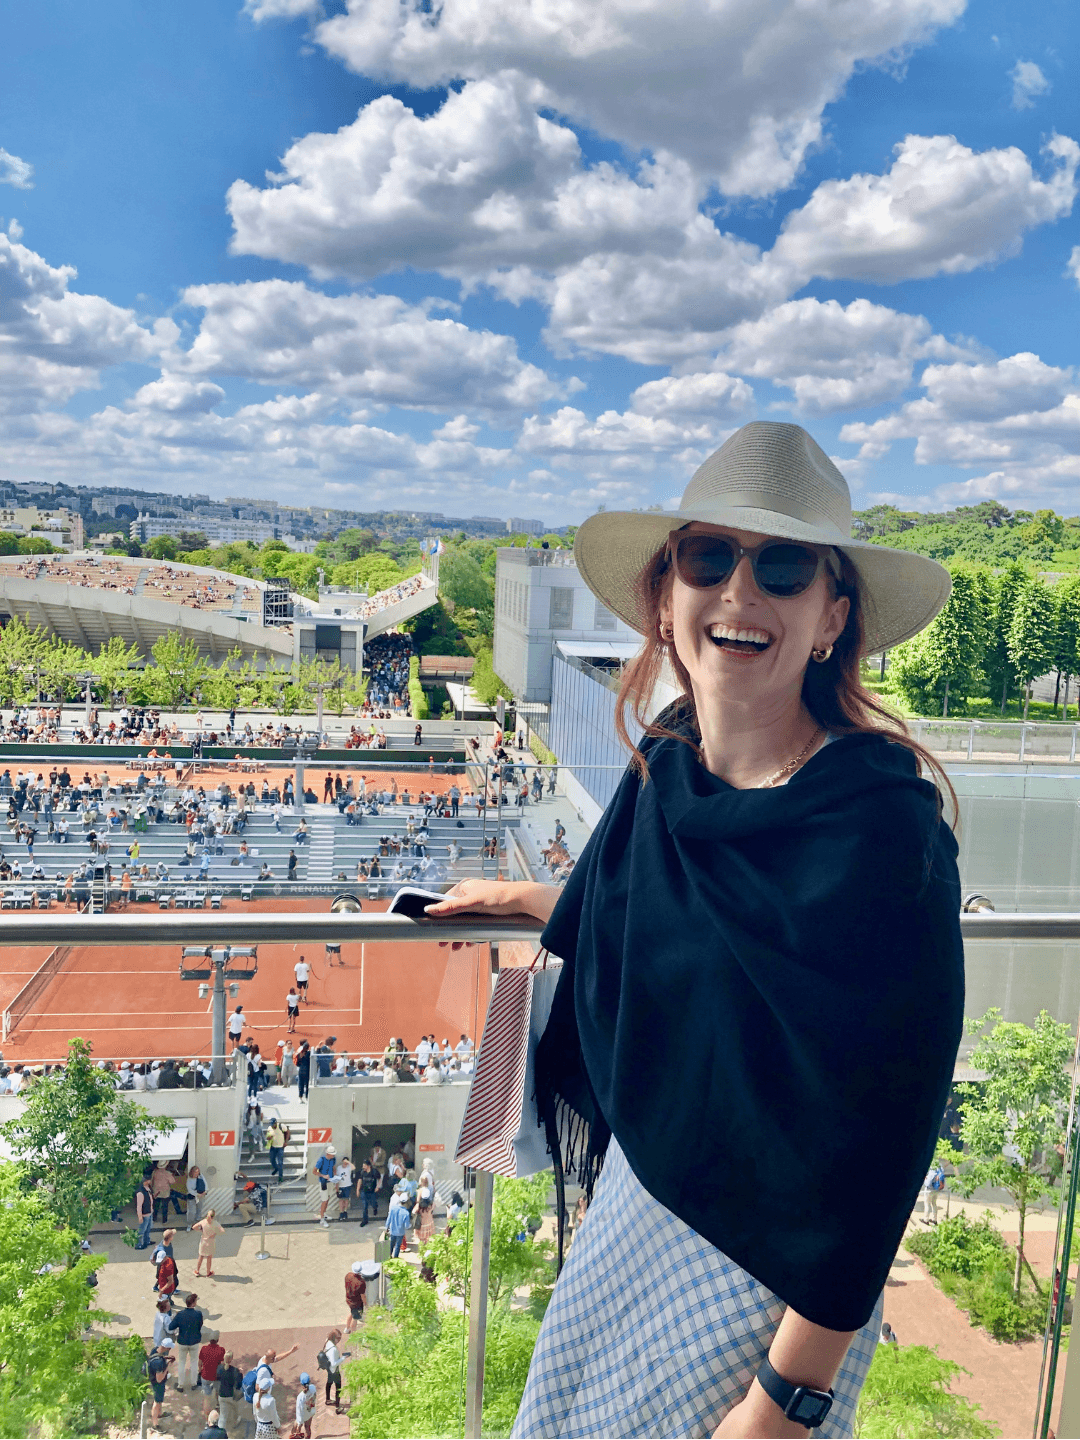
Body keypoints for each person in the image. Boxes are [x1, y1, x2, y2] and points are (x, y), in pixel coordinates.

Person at [426, 421, 966, 1440]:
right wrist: (538, 901)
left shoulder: (882, 832)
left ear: (831, 617)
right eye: (708, 558)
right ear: (666, 603)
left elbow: (884, 1149)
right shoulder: (668, 764)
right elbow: (668, 917)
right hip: (643, 1202)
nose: (738, 592)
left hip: (772, 1281)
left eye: (783, 567)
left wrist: (785, 1403)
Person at [167, 1292, 204, 1393]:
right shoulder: (198, 1314)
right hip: (194, 1341)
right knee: (194, 1362)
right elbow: (200, 1325)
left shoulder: (180, 1314)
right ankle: (194, 1383)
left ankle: (180, 1384)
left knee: (182, 1363)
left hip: (183, 1341)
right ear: (193, 1303)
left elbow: (171, 1327)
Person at [146, 1341, 174, 1430]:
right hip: (157, 1384)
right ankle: (155, 1424)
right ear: (166, 1348)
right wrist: (167, 1366)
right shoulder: (158, 1363)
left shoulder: (155, 1350)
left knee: (159, 1400)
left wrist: (167, 1358)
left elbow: (158, 1357)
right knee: (157, 1402)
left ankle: (159, 1414)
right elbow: (159, 1379)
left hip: (155, 1381)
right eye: (169, 1349)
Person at [216, 1350, 245, 1437]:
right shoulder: (234, 1370)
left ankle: (218, 1434)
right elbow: (239, 1384)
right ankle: (236, 1420)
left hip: (221, 1394)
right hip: (231, 1395)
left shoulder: (220, 1368)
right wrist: (240, 1373)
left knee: (222, 1416)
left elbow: (218, 1377)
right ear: (231, 1359)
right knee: (235, 1408)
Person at [198, 1330, 226, 1417]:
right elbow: (223, 1363)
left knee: (207, 1397)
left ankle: (207, 1417)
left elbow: (200, 1362)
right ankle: (217, 1405)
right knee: (217, 1391)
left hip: (205, 1375)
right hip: (216, 1376)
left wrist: (200, 1370)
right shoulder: (221, 1350)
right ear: (217, 1340)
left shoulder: (204, 1349)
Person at [320, 1329, 348, 1412]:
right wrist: (343, 1358)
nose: (339, 1340)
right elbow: (334, 1364)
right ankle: (337, 1407)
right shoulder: (333, 1350)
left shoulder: (327, 1341)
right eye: (338, 1338)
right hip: (334, 1371)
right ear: (333, 1337)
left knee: (329, 1383)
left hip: (329, 1369)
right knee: (338, 1388)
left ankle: (328, 1399)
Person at [191, 1209, 225, 1278]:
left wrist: (201, 1230)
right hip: (211, 1242)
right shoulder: (215, 1223)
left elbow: (194, 1227)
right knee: (209, 1258)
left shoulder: (203, 1221)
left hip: (203, 1242)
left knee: (201, 1256)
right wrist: (215, 1233)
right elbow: (223, 1231)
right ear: (213, 1216)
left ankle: (197, 1271)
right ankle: (208, 1273)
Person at [314, 1145, 337, 1226]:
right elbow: (314, 1171)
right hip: (323, 1182)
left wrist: (334, 1177)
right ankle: (322, 1218)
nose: (334, 1155)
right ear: (328, 1153)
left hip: (330, 1182)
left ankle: (324, 1213)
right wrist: (323, 1175)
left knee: (328, 1199)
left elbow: (333, 1168)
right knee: (324, 1200)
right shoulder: (321, 1160)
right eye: (332, 1154)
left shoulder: (333, 1159)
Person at [385, 1191, 410, 1259]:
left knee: (391, 1244)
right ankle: (395, 1258)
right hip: (400, 1232)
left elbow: (389, 1219)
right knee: (398, 1246)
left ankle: (388, 1256)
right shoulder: (406, 1213)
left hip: (392, 1230)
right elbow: (407, 1226)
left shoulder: (393, 1209)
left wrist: (386, 1227)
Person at [344, 1259, 366, 1333]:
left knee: (352, 1313)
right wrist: (366, 1304)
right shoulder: (361, 1282)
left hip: (349, 1299)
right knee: (355, 1318)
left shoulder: (348, 1275)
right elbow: (363, 1296)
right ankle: (354, 1333)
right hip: (357, 1303)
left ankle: (347, 1328)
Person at [295, 1372, 318, 1439]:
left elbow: (299, 1411)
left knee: (298, 1429)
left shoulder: (300, 1397)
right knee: (308, 1428)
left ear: (301, 1384)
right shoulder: (313, 1387)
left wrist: (299, 1425)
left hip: (304, 1415)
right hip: (311, 1411)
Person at [134, 1173, 154, 1249]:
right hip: (145, 1214)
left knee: (148, 1229)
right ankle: (138, 1244)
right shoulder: (140, 1192)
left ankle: (147, 1241)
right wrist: (140, 1217)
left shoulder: (147, 1188)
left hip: (149, 1212)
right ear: (146, 1181)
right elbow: (139, 1206)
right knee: (142, 1230)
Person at [357, 1160, 379, 1226]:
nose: (363, 1167)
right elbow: (360, 1180)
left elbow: (379, 1179)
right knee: (365, 1206)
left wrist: (377, 1187)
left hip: (372, 1191)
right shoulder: (362, 1172)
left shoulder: (374, 1172)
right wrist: (357, 1189)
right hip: (364, 1191)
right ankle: (365, 1220)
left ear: (368, 1166)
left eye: (364, 1166)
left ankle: (375, 1208)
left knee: (373, 1203)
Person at [335, 1153, 356, 1221]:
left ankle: (345, 1211)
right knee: (341, 1200)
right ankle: (341, 1212)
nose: (345, 1163)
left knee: (346, 1199)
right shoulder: (339, 1168)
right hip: (341, 1186)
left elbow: (353, 1167)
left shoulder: (349, 1167)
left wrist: (348, 1162)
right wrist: (336, 1187)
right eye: (344, 1162)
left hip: (347, 1185)